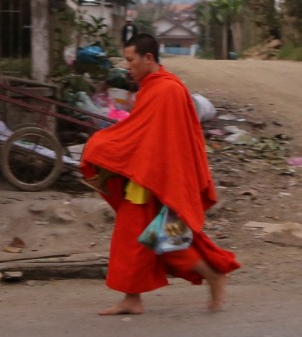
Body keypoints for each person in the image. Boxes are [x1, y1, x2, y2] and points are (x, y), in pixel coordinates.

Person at [80, 31, 237, 315]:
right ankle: (132, 298)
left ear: (148, 57)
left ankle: (213, 275)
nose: (127, 67)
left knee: (170, 242)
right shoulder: (152, 88)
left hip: (164, 180)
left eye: (131, 60)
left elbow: (155, 139)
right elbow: (143, 133)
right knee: (134, 240)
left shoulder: (167, 90)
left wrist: (102, 145)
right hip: (147, 177)